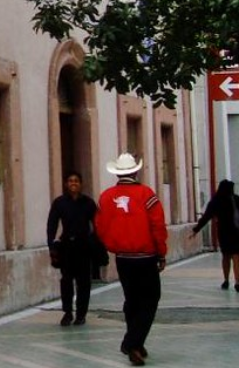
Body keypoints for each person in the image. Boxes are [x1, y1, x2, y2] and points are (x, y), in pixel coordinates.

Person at [95, 153, 167, 367]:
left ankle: (137, 341)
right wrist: (161, 252)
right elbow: (158, 226)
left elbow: (100, 226)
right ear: (135, 171)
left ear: (117, 172)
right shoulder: (147, 195)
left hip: (123, 257)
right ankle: (132, 342)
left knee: (132, 300)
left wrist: (113, 244)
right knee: (150, 300)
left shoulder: (106, 197)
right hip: (145, 256)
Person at [46, 171, 98, 326]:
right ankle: (67, 312)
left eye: (76, 180)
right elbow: (52, 225)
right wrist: (51, 245)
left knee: (84, 283)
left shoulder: (88, 203)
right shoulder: (59, 203)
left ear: (81, 184)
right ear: (66, 184)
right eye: (70, 180)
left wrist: (96, 244)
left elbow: (97, 225)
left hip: (83, 247)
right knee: (66, 281)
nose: (73, 183)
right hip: (66, 247)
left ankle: (81, 314)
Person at [190, 179, 239, 291]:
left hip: (224, 231)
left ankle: (226, 280)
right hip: (237, 232)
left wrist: (196, 230)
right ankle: (237, 282)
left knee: (226, 256)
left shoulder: (216, 201)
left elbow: (206, 216)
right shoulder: (236, 199)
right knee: (237, 256)